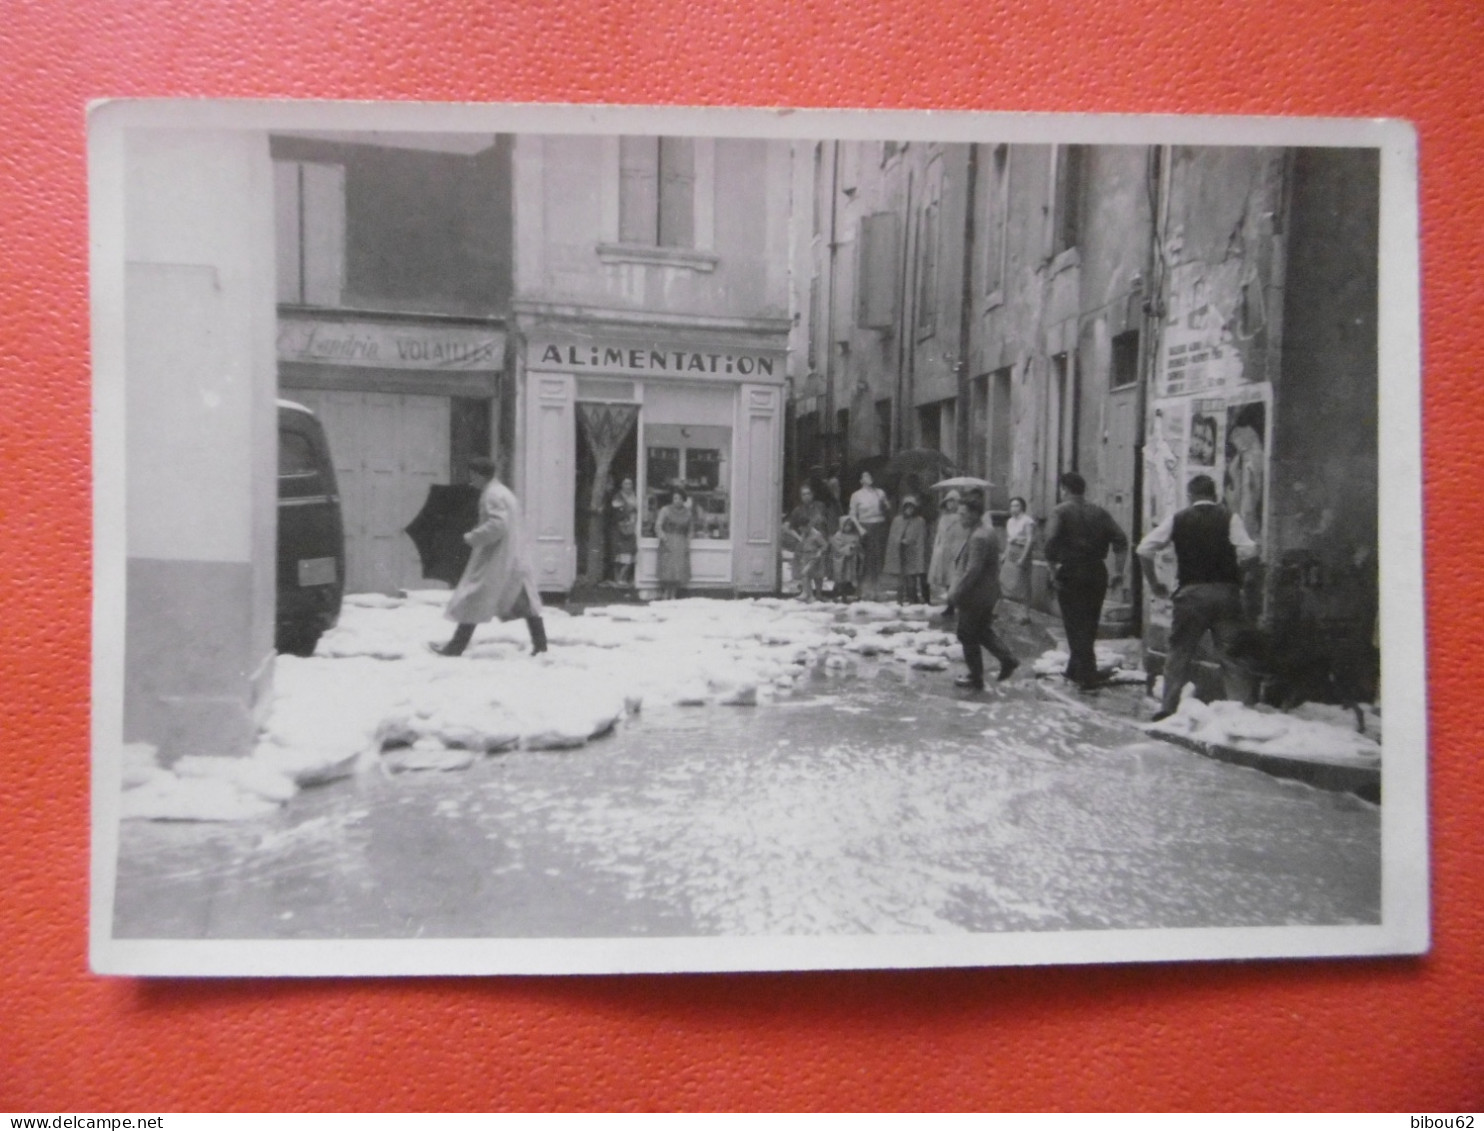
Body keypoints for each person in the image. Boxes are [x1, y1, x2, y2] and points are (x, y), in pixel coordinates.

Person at [1137, 473, 1260, 721]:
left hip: (1191, 595)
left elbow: (1144, 549)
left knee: (1179, 652)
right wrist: (1237, 576)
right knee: (1232, 654)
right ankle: (1241, 713)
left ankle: (1167, 708)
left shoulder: (1178, 519)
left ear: (1190, 495)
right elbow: (1250, 552)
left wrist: (1155, 583)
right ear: (1214, 495)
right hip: (1226, 593)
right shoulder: (1229, 517)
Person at [430, 457, 548, 657]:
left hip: (498, 558)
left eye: (472, 475)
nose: (471, 479)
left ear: (479, 475)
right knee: (524, 602)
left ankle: (456, 647)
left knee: (474, 597)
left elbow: (498, 525)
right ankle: (541, 646)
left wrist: (473, 537)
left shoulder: (491, 495)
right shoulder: (503, 492)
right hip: (512, 556)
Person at [1042, 471, 1129, 691]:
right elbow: (1121, 539)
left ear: (1064, 489)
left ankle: (1087, 674)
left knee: (1074, 623)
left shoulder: (1060, 511)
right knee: (1089, 622)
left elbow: (1050, 544)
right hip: (1097, 571)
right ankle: (1075, 667)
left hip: (1071, 571)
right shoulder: (1099, 512)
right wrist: (1118, 570)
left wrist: (1052, 571)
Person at [947, 491, 1019, 690]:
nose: (960, 517)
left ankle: (976, 677)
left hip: (976, 595)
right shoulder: (985, 530)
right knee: (980, 631)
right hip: (986, 593)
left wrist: (956, 593)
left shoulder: (979, 536)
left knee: (966, 633)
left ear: (973, 514)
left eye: (962, 514)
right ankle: (1007, 659)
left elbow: (973, 570)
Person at [849, 470, 891, 600]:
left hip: (879, 527)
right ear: (861, 480)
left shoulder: (880, 493)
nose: (869, 478)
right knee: (863, 559)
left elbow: (887, 510)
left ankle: (876, 588)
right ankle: (862, 589)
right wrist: (860, 528)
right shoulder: (856, 495)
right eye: (866, 476)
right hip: (864, 527)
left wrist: (885, 503)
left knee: (877, 558)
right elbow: (852, 514)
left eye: (871, 475)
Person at [927, 490, 972, 607]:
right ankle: (950, 602)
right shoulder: (943, 518)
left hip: (957, 549)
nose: (950, 505)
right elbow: (939, 535)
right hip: (944, 550)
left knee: (956, 577)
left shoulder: (962, 517)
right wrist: (937, 549)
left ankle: (958, 602)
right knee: (946, 578)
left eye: (953, 502)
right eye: (948, 502)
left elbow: (964, 534)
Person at [885, 495, 928, 605]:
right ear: (903, 508)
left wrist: (910, 541)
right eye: (907, 508)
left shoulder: (919, 521)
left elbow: (921, 538)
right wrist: (900, 541)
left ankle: (912, 598)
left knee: (912, 577)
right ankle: (900, 598)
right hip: (900, 552)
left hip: (913, 553)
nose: (909, 510)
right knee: (901, 577)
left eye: (912, 508)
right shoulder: (897, 521)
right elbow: (893, 536)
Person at [998, 496, 1036, 622]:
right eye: (1012, 505)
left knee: (1023, 583)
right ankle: (999, 610)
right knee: (1003, 581)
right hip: (1011, 551)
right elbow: (1009, 539)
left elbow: (1030, 540)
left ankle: (1025, 614)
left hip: (1022, 550)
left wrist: (1023, 558)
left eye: (1017, 505)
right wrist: (1004, 554)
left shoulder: (1027, 521)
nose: (1014, 508)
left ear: (1022, 507)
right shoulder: (1009, 521)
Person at [655, 489, 692, 600]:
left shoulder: (688, 513)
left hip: (681, 541)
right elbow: (658, 525)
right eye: (675, 498)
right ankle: (666, 592)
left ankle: (674, 593)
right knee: (667, 568)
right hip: (668, 540)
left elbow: (690, 529)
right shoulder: (665, 510)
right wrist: (663, 537)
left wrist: (688, 542)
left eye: (680, 498)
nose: (677, 501)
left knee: (678, 568)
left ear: (684, 500)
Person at [609, 476, 638, 586]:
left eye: (630, 483)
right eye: (625, 483)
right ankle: (618, 579)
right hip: (620, 529)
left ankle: (623, 578)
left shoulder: (635, 495)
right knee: (618, 555)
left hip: (632, 529)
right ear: (621, 485)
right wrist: (628, 510)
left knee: (629, 554)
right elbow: (616, 512)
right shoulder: (618, 497)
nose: (628, 486)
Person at [829, 515, 864, 602]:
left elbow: (858, 545)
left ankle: (850, 594)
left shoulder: (855, 535)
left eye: (850, 525)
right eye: (846, 525)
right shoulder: (838, 535)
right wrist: (848, 548)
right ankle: (838, 593)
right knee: (841, 577)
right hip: (842, 561)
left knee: (851, 577)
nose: (848, 527)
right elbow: (837, 547)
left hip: (852, 560)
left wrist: (856, 548)